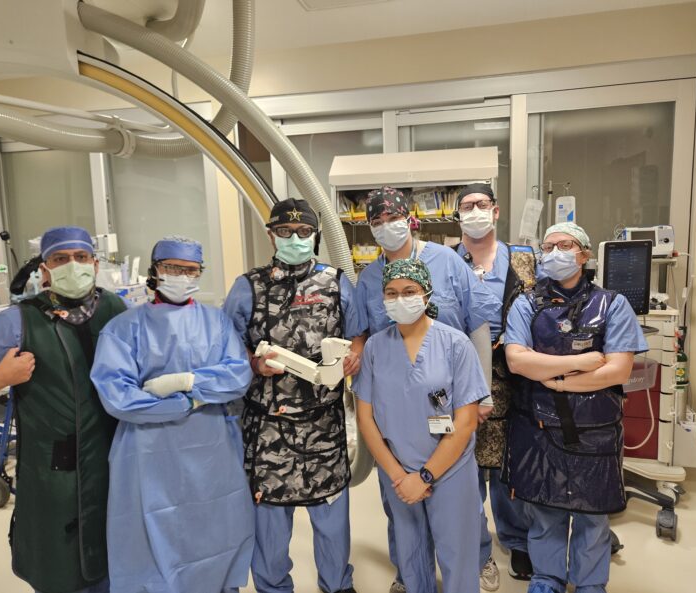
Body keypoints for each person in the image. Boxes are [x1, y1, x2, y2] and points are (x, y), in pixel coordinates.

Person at [0, 226, 126, 593]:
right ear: (44, 270)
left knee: (114, 557)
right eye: (60, 259)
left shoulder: (115, 308)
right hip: (55, 468)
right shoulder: (18, 321)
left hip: (112, 460)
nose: (73, 265)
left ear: (95, 264)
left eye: (81, 257)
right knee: (60, 566)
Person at [354, 186, 501, 592]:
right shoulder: (369, 280)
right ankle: (408, 575)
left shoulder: (447, 262)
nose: (386, 227)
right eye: (377, 221)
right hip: (398, 416)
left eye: (393, 218)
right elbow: (363, 338)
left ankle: (478, 559)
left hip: (453, 398)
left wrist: (482, 392)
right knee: (403, 515)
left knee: (461, 514)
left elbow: (477, 322)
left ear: (411, 218)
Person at [89, 236, 254, 593]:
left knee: (214, 526)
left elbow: (238, 376)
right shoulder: (123, 328)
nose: (182, 276)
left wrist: (187, 383)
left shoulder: (216, 322)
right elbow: (118, 398)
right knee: (150, 532)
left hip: (211, 449)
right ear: (155, 271)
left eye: (190, 270)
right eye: (172, 268)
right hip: (148, 452)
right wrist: (189, 402)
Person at [223, 198, 363, 593]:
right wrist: (254, 364)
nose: (295, 239)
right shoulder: (248, 286)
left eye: (304, 232)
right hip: (268, 429)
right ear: (272, 235)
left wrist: (354, 357)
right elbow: (226, 348)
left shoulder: (336, 282)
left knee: (332, 521)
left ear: (315, 236)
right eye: (286, 231)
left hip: (324, 426)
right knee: (269, 525)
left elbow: (358, 334)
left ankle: (337, 585)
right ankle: (272, 587)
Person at [503, 222, 648, 593]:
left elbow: (618, 370)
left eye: (564, 245)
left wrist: (556, 380)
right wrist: (581, 363)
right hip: (538, 425)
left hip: (594, 427)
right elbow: (517, 361)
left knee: (592, 513)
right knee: (544, 510)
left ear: (583, 254)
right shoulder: (526, 303)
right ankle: (547, 578)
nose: (554, 253)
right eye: (547, 246)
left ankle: (590, 583)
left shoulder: (612, 304)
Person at [453, 182, 536, 581]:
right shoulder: (448, 261)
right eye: (466, 206)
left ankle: (517, 539)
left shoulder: (524, 260)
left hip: (514, 376)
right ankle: (477, 548)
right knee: (465, 468)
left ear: (496, 210)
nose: (475, 212)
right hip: (463, 376)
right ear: (458, 217)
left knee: (509, 466)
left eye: (481, 204)